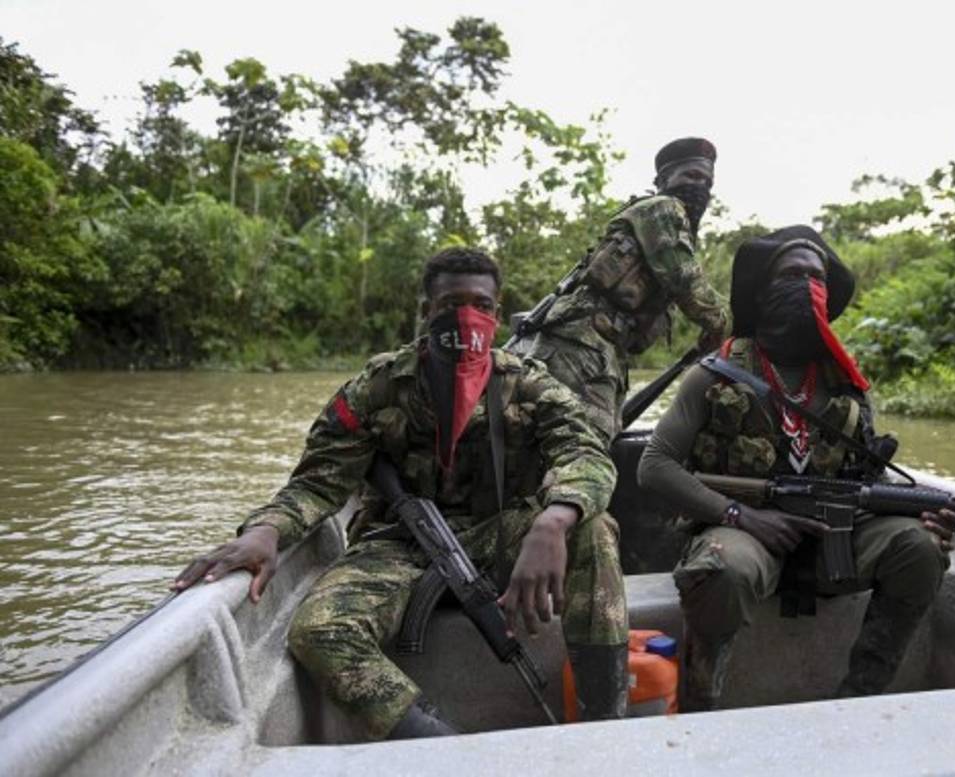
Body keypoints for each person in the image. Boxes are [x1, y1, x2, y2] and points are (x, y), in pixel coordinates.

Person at [173, 247, 629, 739]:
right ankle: (438, 746)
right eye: (452, 302)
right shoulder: (379, 386)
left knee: (594, 528)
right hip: (399, 544)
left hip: (501, 534)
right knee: (319, 631)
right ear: (427, 312)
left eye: (480, 304)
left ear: (496, 314)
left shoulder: (528, 384)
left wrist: (554, 519)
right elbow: (319, 478)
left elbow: (586, 453)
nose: (466, 316)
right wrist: (266, 532)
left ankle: (604, 727)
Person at [636, 226, 955, 710]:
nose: (808, 283)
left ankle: (859, 700)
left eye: (817, 277)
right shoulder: (713, 374)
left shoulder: (846, 384)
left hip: (835, 532)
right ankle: (701, 707)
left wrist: (919, 513)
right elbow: (654, 466)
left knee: (919, 548)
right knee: (722, 570)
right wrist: (741, 516)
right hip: (745, 529)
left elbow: (868, 477)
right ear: (764, 290)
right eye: (792, 273)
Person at [508, 137, 728, 444]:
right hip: (580, 345)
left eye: (707, 181)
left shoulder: (669, 221)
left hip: (604, 350)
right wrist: (726, 323)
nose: (700, 187)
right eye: (691, 176)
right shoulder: (662, 207)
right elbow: (684, 280)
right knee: (579, 447)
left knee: (589, 443)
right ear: (663, 180)